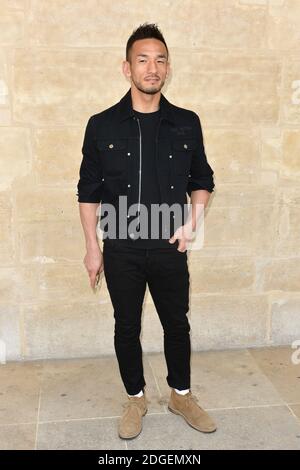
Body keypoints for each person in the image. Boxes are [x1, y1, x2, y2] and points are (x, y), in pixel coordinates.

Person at [77, 22, 217, 440]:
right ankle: (135, 398)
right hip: (120, 245)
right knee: (126, 325)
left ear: (167, 68)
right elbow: (88, 191)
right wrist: (92, 248)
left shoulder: (187, 122)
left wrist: (192, 224)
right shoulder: (102, 125)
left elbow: (203, 179)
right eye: (143, 60)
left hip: (170, 246)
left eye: (159, 60)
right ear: (127, 68)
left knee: (177, 324)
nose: (152, 68)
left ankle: (181, 394)